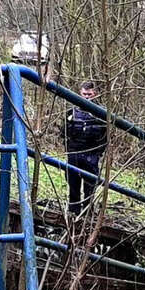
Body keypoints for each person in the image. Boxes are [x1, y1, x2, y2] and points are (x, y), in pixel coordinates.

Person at [63, 81, 108, 215]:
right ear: (80, 93)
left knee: (90, 185)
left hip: (92, 155)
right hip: (74, 153)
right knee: (73, 184)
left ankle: (87, 212)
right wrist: (69, 151)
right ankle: (73, 211)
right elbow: (64, 132)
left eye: (89, 94)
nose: (87, 97)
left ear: (95, 94)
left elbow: (105, 137)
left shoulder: (101, 114)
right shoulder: (72, 112)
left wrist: (98, 153)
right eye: (84, 94)